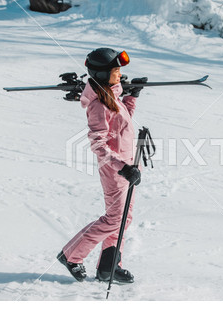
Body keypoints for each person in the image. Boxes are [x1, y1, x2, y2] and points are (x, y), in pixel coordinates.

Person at [57, 48, 143, 283]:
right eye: (115, 71)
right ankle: (71, 256)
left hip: (126, 166)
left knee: (123, 218)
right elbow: (98, 145)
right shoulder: (98, 105)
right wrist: (123, 168)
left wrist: (132, 96)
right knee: (114, 218)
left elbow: (122, 121)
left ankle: (109, 266)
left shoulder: (112, 96)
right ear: (102, 75)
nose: (119, 74)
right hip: (115, 170)